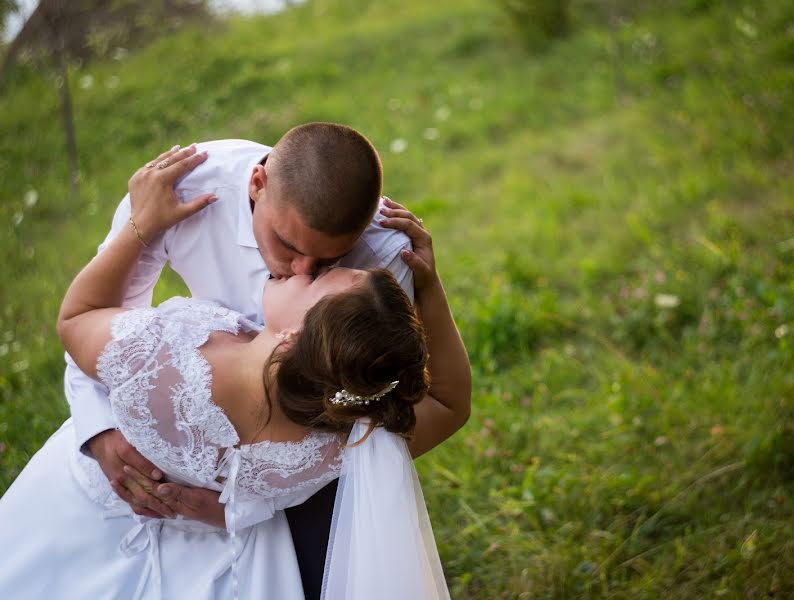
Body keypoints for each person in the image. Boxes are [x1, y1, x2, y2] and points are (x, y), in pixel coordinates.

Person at [0, 147, 469, 599]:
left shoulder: (168, 350)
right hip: (238, 556)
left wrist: (138, 229)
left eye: (323, 270)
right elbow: (448, 404)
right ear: (257, 185)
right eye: (291, 249)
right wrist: (243, 510)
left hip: (104, 517)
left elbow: (79, 320)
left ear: (291, 336)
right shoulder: (335, 441)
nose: (300, 267)